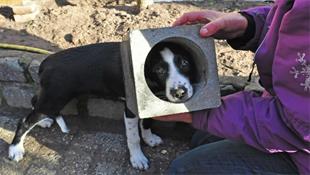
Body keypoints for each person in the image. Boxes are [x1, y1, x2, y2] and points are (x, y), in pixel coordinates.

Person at [154, 0, 310, 174]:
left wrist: (203, 115)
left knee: (183, 170)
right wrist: (248, 25)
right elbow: (295, 21)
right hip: (286, 113)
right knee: (203, 137)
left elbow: (297, 127)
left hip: (301, 150)